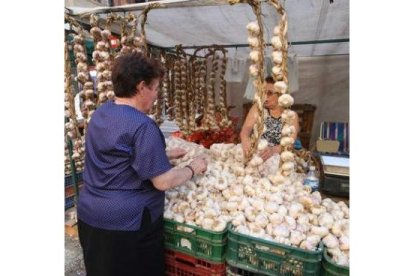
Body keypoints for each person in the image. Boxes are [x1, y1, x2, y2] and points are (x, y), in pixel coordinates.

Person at [76, 52, 208, 276]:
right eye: (155, 88)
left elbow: (116, 159)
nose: (156, 96)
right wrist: (193, 167)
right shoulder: (142, 125)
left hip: (90, 215)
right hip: (127, 225)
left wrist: (162, 158)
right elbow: (163, 182)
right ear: (141, 87)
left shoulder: (101, 113)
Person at [240, 76, 299, 161]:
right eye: (263, 92)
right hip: (255, 155)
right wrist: (245, 139)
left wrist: (272, 150)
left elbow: (290, 143)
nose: (265, 96)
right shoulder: (258, 108)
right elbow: (246, 128)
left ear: (280, 94)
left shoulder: (291, 116)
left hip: (277, 158)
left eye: (270, 93)